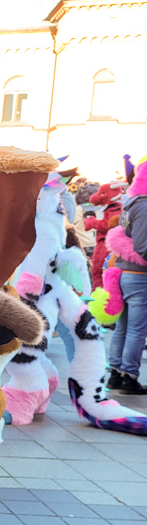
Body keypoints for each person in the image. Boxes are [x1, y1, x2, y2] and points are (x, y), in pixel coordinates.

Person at [107, 160, 147, 394]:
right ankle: (129, 377)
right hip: (139, 276)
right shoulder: (145, 206)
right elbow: (143, 245)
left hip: (125, 272)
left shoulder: (132, 203)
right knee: (136, 330)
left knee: (122, 327)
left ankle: (115, 374)